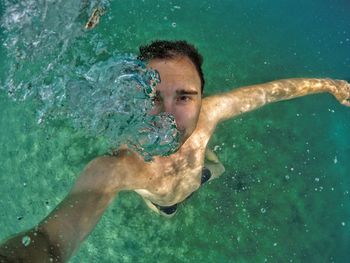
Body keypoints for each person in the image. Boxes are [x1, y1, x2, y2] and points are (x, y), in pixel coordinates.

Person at [0, 40, 349, 262]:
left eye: (183, 96)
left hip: (197, 172)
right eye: (153, 98)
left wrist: (330, 85)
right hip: (164, 198)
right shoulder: (118, 167)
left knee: (215, 168)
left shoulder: (211, 113)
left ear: (201, 97)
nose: (167, 114)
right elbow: (49, 239)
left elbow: (272, 92)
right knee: (167, 209)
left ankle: (208, 172)